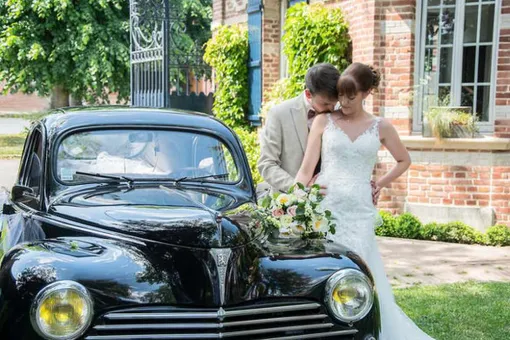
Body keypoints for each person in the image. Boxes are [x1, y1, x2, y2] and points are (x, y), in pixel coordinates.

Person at [294, 62, 434, 340]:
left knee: (360, 272)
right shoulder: (324, 121)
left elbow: (404, 159)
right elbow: (305, 169)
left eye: (351, 95)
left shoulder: (380, 126)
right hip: (326, 207)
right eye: (341, 94)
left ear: (367, 93)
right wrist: (292, 201)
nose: (343, 101)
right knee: (323, 270)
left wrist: (379, 183)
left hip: (358, 211)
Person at [257, 63, 339, 196]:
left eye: (334, 103)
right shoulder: (279, 114)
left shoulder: (342, 112)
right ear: (308, 93)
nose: (331, 109)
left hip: (333, 200)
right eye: (325, 104)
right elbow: (267, 164)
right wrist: (298, 188)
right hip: (289, 204)